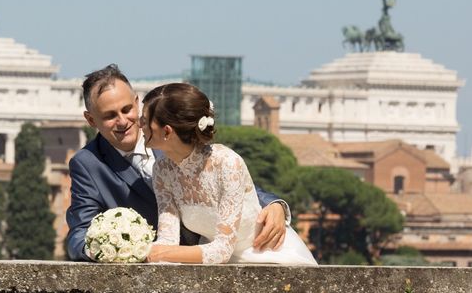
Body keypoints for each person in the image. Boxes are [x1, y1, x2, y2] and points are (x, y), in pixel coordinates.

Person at [65, 64, 291, 262]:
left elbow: (225, 180)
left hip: (247, 252)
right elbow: (79, 234)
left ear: (137, 103)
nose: (123, 121)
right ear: (91, 120)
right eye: (110, 116)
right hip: (171, 267)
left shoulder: (174, 132)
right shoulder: (87, 164)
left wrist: (275, 204)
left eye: (127, 109)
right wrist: (110, 249)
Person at [141, 82, 317, 265]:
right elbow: (167, 241)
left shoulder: (227, 163)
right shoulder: (162, 169)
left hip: (271, 257)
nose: (140, 126)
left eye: (144, 121)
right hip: (215, 266)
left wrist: (158, 253)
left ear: (167, 131)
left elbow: (221, 251)